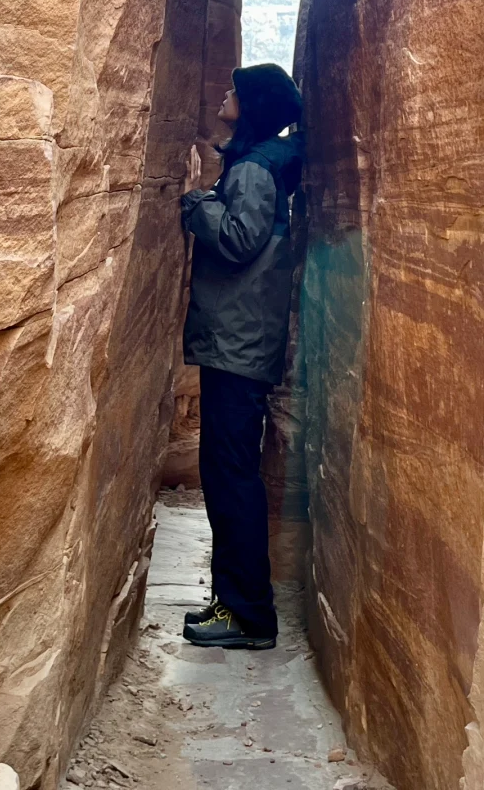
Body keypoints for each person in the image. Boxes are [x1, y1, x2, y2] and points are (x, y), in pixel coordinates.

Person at [178, 62, 304, 651]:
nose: (224, 94)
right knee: (227, 474)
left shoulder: (254, 171)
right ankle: (235, 602)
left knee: (230, 478)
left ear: (251, 105)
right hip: (240, 341)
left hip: (237, 345)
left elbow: (236, 239)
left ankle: (248, 614)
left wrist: (193, 204)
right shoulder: (256, 162)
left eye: (235, 90)